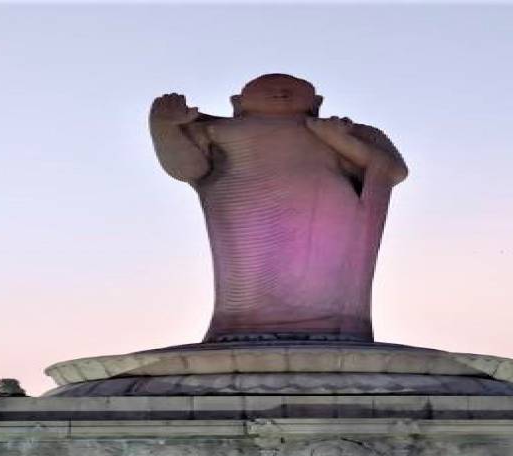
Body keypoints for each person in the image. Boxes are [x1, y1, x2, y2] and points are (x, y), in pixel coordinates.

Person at [149, 74, 408, 343]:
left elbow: (391, 170)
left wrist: (337, 139)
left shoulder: (348, 130)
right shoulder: (213, 129)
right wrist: (164, 126)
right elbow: (188, 168)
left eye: (292, 89)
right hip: (246, 211)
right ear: (238, 102)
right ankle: (240, 326)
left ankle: (331, 325)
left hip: (325, 218)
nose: (280, 92)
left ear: (316, 102)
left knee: (323, 274)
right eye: (266, 88)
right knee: (247, 281)